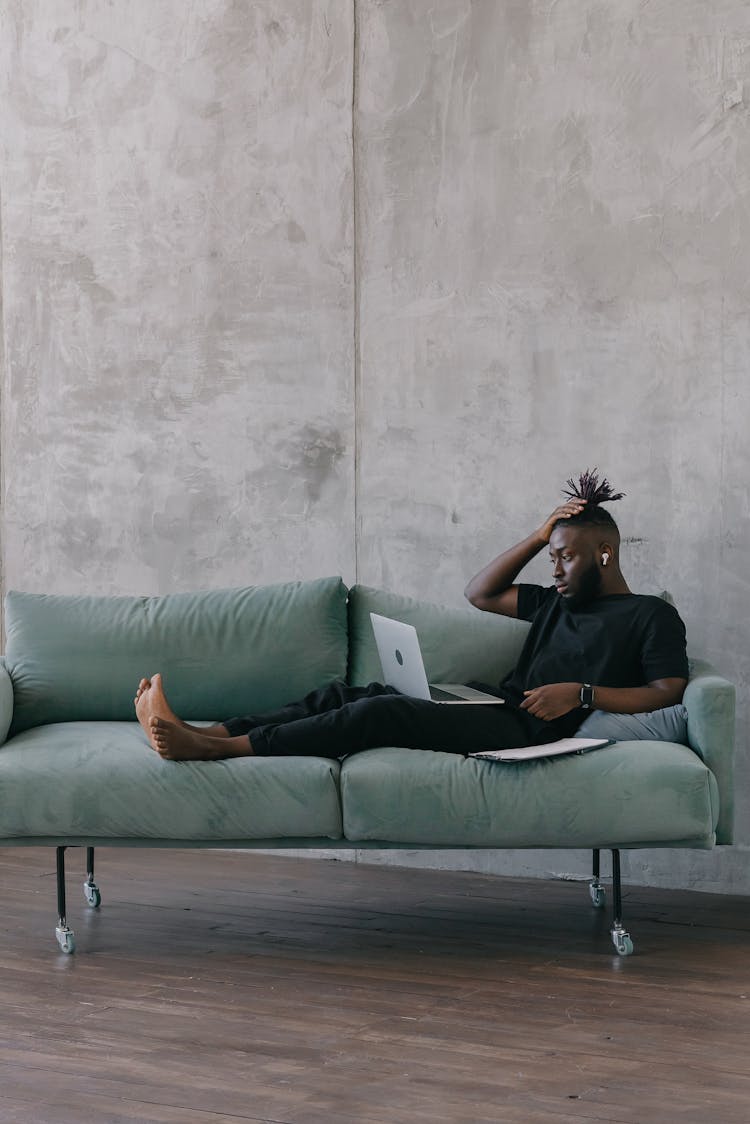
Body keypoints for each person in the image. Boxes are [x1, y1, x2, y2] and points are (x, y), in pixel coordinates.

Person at [134, 471, 689, 762]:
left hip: (526, 730)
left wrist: (582, 693)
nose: (557, 569)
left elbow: (668, 688)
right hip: (494, 702)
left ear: (605, 554)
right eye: (553, 558)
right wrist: (541, 534)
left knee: (379, 712)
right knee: (344, 694)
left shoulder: (649, 617)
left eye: (566, 557)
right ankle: (204, 731)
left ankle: (217, 751)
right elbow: (480, 592)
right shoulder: (554, 600)